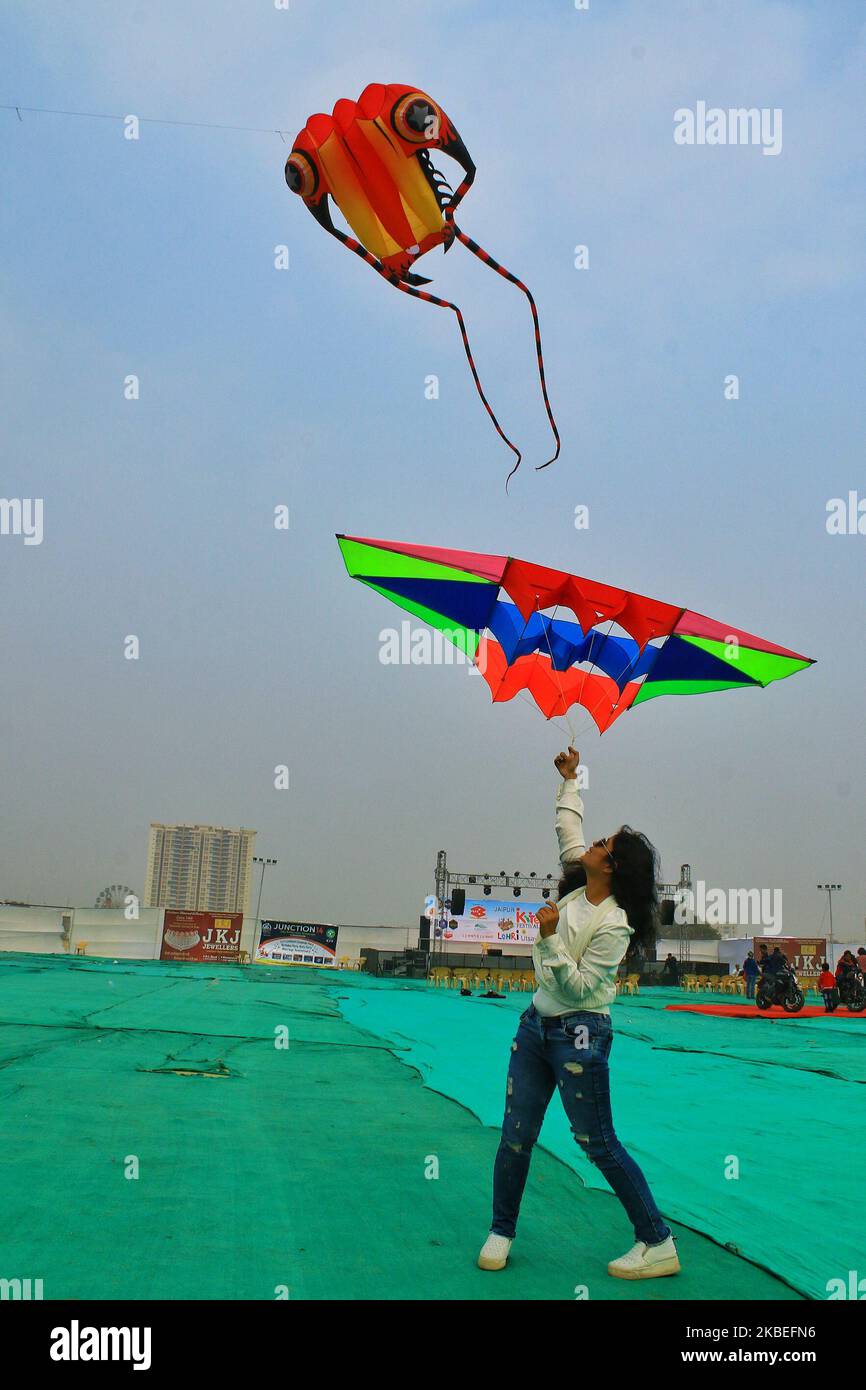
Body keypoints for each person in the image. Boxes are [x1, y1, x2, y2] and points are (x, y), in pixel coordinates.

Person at [477, 746, 679, 1282]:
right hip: (534, 1027)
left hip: (580, 1035)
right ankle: (501, 1229)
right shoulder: (575, 889)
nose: (593, 843)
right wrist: (569, 780)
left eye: (605, 845)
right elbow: (570, 827)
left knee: (597, 1142)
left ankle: (657, 1241)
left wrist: (547, 942)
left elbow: (585, 986)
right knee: (515, 1135)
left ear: (612, 868)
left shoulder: (613, 923)